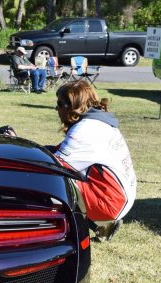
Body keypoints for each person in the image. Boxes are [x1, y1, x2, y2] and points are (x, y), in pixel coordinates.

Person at [53, 80, 137, 240]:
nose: (56, 108)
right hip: (121, 195)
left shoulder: (84, 130)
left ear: (72, 105)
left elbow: (54, 164)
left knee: (51, 180)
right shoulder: (98, 121)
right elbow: (57, 150)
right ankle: (102, 226)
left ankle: (61, 229)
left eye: (59, 103)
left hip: (111, 200)